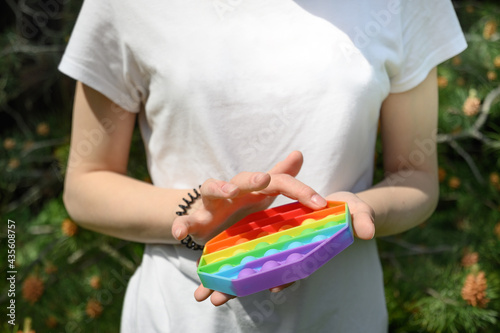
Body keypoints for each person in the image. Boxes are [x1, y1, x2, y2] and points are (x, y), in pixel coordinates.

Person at [59, 0, 467, 332]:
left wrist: (355, 211)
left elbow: (414, 175)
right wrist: (195, 214)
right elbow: (86, 183)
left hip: (342, 316)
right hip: (179, 317)